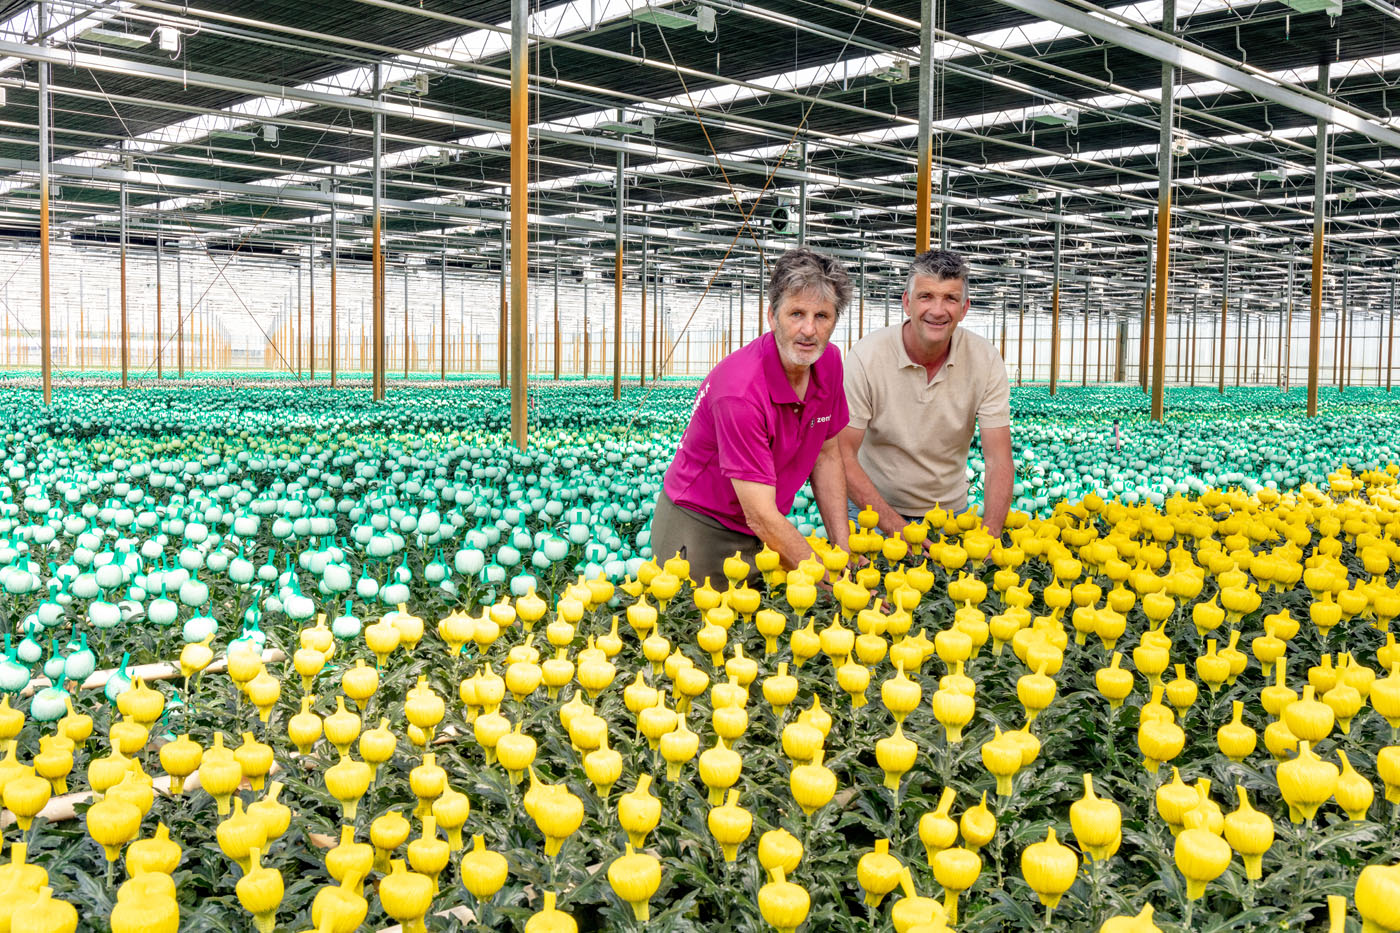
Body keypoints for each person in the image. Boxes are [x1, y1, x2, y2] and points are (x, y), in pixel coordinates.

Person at [650, 246, 852, 586]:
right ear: (772, 316)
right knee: (700, 627)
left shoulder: (828, 362)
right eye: (796, 314)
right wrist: (836, 583)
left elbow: (828, 455)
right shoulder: (740, 391)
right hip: (703, 523)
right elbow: (759, 515)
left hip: (765, 523)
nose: (808, 330)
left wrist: (841, 554)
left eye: (822, 316)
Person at [839, 248, 1013, 537]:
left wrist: (991, 532)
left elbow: (998, 458)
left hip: (948, 514)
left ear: (964, 308)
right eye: (926, 296)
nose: (937, 310)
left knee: (948, 582)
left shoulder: (985, 360)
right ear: (907, 303)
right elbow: (842, 454)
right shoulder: (866, 357)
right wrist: (896, 528)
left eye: (950, 298)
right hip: (870, 510)